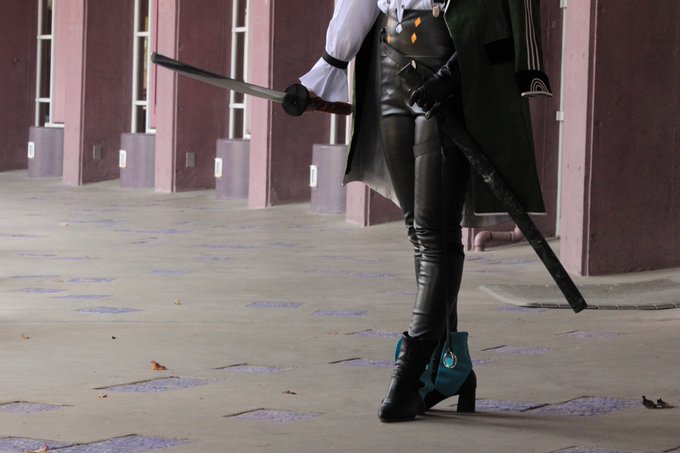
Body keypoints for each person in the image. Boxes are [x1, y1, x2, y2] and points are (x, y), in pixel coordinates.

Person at [299, 0, 552, 422]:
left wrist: (456, 70)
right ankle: (450, 364)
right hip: (389, 58)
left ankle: (409, 374)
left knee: (436, 233)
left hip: (450, 56)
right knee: (418, 229)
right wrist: (326, 69)